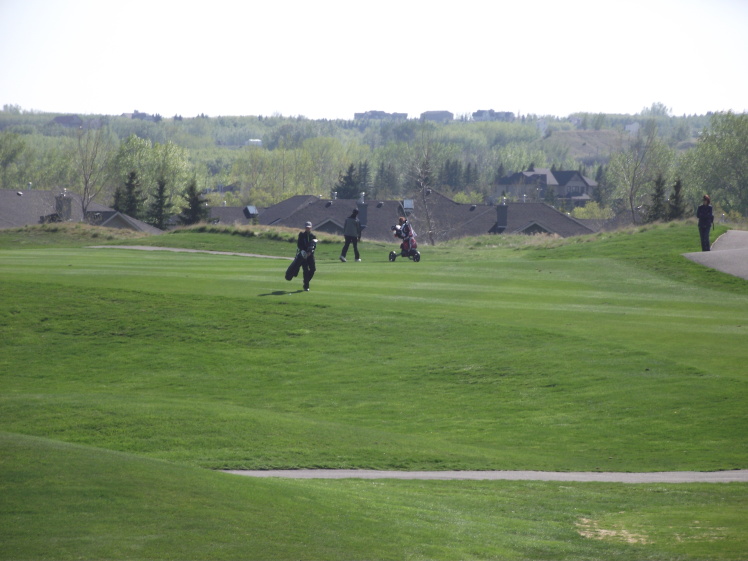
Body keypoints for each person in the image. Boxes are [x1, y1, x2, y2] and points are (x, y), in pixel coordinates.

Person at [297, 221, 317, 291]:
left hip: (310, 255)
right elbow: (299, 245)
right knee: (305, 270)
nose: (307, 228)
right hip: (303, 255)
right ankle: (306, 286)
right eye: (306, 227)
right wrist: (304, 252)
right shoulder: (301, 235)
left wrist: (310, 252)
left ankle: (306, 280)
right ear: (305, 228)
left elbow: (314, 246)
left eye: (309, 227)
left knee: (313, 269)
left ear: (311, 228)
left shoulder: (313, 236)